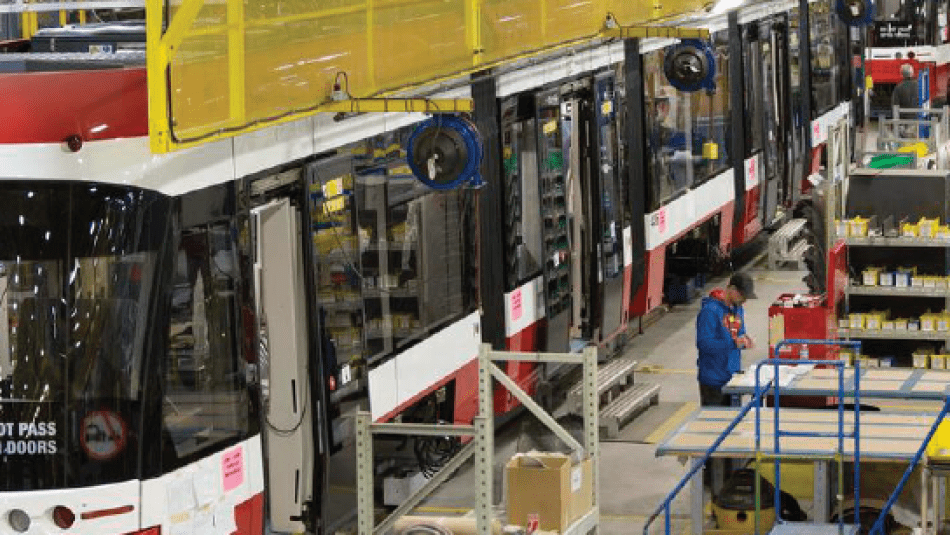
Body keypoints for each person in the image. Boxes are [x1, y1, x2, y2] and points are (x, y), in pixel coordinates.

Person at [696, 272, 756, 407]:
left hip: (733, 378)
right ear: (732, 290)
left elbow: (740, 332)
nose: (744, 300)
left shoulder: (737, 309)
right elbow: (704, 344)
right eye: (742, 296)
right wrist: (733, 343)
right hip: (714, 380)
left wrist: (745, 341)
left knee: (732, 422)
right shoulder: (710, 311)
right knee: (715, 424)